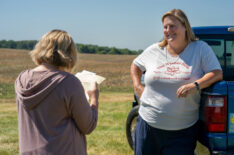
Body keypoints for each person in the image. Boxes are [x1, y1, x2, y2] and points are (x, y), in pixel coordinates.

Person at [131, 9, 223, 155]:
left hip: (182, 133)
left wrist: (196, 85)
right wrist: (138, 86)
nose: (168, 30)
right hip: (148, 127)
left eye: (173, 26)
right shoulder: (155, 50)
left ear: (185, 26)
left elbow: (216, 73)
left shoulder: (200, 49)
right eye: (165, 27)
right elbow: (135, 65)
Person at [15, 30, 99, 155]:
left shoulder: (21, 79)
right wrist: (94, 98)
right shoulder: (69, 82)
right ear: (70, 53)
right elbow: (88, 125)